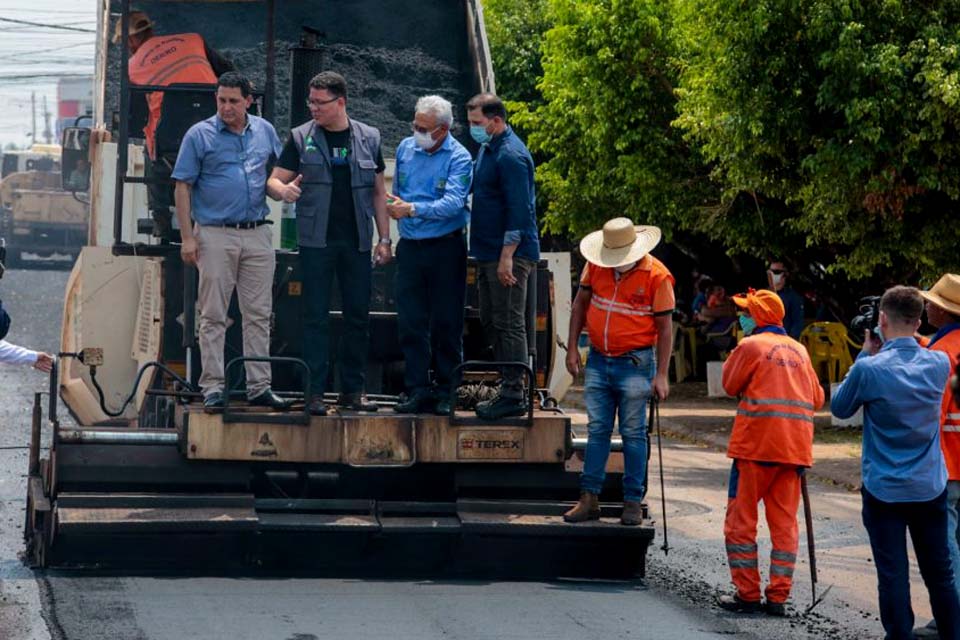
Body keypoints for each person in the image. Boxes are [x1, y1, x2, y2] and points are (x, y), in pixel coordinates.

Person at [832, 286, 960, 640]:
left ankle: (899, 635)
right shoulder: (937, 363)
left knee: (893, 574)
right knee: (941, 573)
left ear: (882, 320)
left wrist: (864, 354)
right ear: (919, 322)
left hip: (884, 489)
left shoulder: (870, 370)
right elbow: (919, 348)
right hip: (929, 486)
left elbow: (841, 408)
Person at [267, 71, 392, 417]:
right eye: (311, 102)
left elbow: (379, 193)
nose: (313, 109)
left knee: (358, 318)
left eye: (320, 103)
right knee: (315, 318)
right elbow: (274, 181)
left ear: (341, 102)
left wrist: (385, 239)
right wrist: (284, 190)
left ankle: (352, 391)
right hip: (316, 242)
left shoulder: (369, 137)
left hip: (356, 243)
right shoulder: (300, 137)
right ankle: (315, 393)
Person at [171, 72, 291, 413]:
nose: (226, 107)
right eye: (221, 100)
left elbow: (278, 172)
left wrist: (286, 187)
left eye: (233, 101)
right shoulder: (199, 134)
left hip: (257, 232)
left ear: (248, 101)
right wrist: (187, 237)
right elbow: (183, 185)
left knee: (259, 313)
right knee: (212, 314)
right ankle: (212, 386)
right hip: (214, 232)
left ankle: (259, 386)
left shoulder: (264, 130)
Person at [717, 288, 824, 616]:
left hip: (755, 449)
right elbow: (817, 399)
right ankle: (778, 597)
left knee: (741, 523)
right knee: (784, 525)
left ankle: (747, 594)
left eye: (745, 312)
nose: (741, 317)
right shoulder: (800, 351)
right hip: (793, 452)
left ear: (758, 317)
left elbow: (729, 385)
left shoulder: (750, 346)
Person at [562, 218, 674, 527]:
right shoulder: (595, 267)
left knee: (633, 434)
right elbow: (580, 305)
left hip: (635, 363)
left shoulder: (657, 276)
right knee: (598, 430)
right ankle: (589, 498)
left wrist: (661, 374)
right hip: (599, 358)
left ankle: (632, 501)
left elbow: (665, 330)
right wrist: (572, 348)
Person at [386, 96, 472, 415]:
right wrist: (397, 208)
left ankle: (449, 390)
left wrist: (413, 209)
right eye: (415, 125)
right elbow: (401, 192)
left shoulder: (459, 158)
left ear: (442, 130)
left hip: (445, 248)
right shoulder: (406, 149)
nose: (417, 132)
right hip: (410, 248)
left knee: (447, 323)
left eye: (424, 128)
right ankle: (417, 387)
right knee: (411, 321)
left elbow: (453, 203)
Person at [114, 11, 233, 238]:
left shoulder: (132, 67)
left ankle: (161, 219)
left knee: (150, 149)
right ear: (150, 29)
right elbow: (229, 73)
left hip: (171, 142)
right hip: (218, 127)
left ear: (130, 40)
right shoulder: (193, 40)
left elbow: (136, 119)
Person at [466, 93, 540, 420]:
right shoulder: (487, 149)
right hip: (485, 251)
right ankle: (505, 382)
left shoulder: (511, 155)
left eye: (477, 123)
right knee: (490, 320)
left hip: (510, 254)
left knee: (510, 321)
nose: (473, 129)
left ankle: (514, 392)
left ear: (496, 121)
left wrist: (507, 255)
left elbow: (520, 210)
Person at [916, 274, 960, 639]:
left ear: (945, 311)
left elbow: (932, 414)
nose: (926, 306)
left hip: (949, 464)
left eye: (931, 303)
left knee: (945, 547)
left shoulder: (939, 356)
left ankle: (952, 617)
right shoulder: (944, 347)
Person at [767, 261, 804, 340]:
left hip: (783, 342)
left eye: (776, 272)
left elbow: (797, 323)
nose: (772, 274)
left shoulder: (793, 297)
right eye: (770, 271)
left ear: (785, 274)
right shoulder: (764, 295)